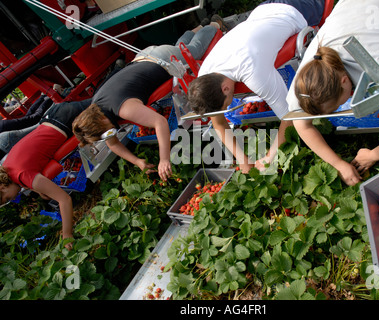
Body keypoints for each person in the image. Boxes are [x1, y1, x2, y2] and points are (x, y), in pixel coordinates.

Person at [286, 0, 379, 186]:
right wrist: (338, 164)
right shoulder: (307, 81)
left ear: (344, 81)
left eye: (337, 105)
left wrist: (372, 155)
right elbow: (301, 125)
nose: (341, 107)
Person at [72, 22, 223, 181]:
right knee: (178, 49)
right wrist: (137, 161)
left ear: (99, 122)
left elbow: (160, 122)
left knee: (195, 50)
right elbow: (113, 144)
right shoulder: (96, 106)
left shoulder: (123, 108)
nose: (108, 133)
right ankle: (196, 28)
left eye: (105, 132)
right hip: (145, 56)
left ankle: (213, 24)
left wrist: (164, 159)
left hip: (161, 59)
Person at [187, 0, 325, 173]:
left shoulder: (251, 71)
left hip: (295, 9)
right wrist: (243, 160)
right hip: (262, 10)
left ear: (226, 89)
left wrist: (270, 156)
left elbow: (290, 115)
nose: (226, 108)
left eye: (225, 105)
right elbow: (219, 122)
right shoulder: (205, 77)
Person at [0, 99, 91, 242]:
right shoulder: (8, 167)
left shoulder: (21, 176)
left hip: (65, 120)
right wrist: (40, 190)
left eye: (7, 198)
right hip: (54, 117)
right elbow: (30, 164)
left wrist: (67, 234)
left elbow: (64, 199)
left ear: (3, 186)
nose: (12, 199)